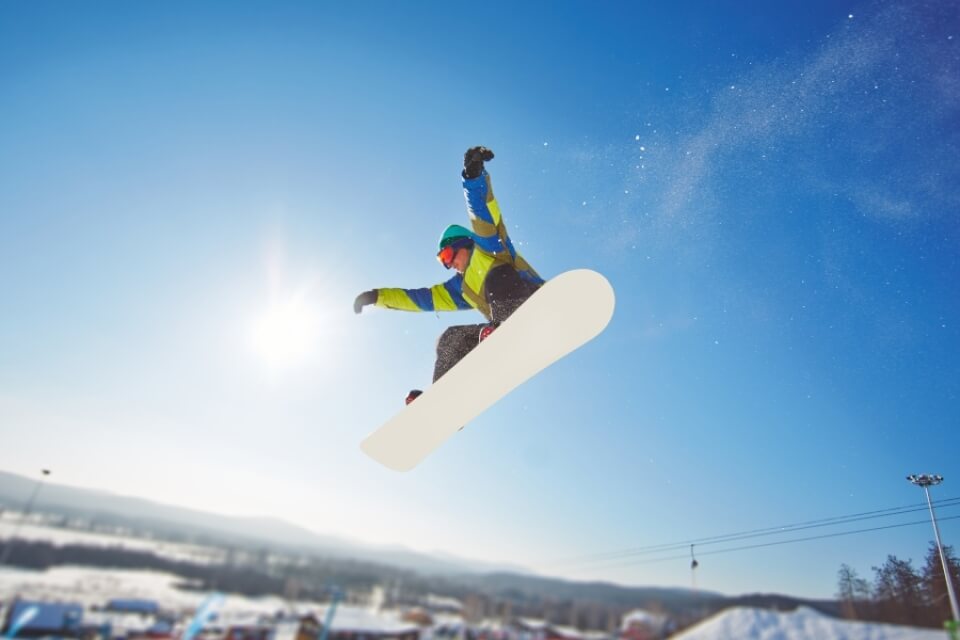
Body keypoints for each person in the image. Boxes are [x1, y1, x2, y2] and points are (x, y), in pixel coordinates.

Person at [354, 146, 544, 401]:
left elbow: (483, 211)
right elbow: (419, 299)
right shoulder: (460, 289)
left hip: (531, 303)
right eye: (442, 262)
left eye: (446, 256)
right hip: (500, 330)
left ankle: (506, 326)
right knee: (449, 338)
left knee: (496, 276)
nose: (448, 264)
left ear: (463, 244)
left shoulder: (489, 247)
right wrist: (377, 297)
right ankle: (443, 398)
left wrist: (473, 175)